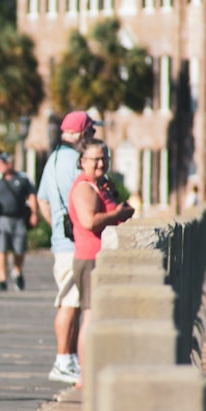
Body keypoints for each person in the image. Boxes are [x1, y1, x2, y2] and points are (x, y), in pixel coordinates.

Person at [36, 111, 98, 384]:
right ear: (82, 134)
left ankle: (69, 358)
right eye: (92, 133)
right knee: (70, 302)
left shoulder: (52, 160)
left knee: (70, 300)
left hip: (63, 241)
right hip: (75, 243)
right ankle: (62, 360)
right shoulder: (77, 162)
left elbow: (42, 201)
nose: (94, 138)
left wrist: (57, 226)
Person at [68, 138, 135, 388]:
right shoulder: (84, 188)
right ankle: (85, 376)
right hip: (90, 258)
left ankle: (96, 370)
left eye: (104, 158)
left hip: (103, 257)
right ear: (82, 161)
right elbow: (89, 221)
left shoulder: (100, 184)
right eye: (95, 158)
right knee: (91, 316)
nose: (100, 163)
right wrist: (117, 215)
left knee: (99, 316)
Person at [0, 152, 38, 291]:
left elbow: (31, 196)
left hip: (18, 219)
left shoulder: (22, 179)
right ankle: (2, 278)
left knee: (19, 249)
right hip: (2, 219)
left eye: (3, 163)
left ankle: (17, 271)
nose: (1, 166)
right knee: (1, 250)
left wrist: (33, 213)